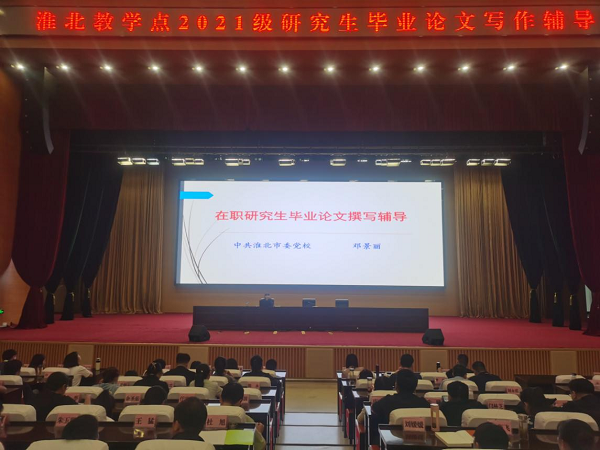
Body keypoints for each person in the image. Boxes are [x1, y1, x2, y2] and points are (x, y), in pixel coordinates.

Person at [220, 382, 266, 450]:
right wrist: (259, 432)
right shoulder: (245, 419)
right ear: (240, 401)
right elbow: (261, 445)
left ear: (220, 398)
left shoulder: (206, 414)